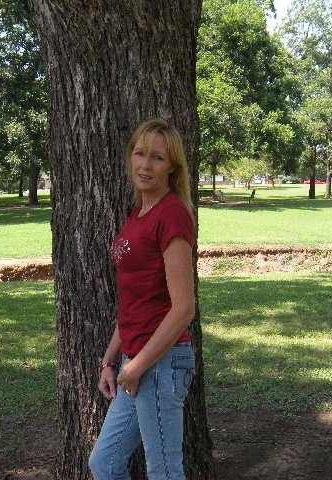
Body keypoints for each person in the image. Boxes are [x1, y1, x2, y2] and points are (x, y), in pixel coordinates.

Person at [88, 119, 197, 480]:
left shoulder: (172, 214)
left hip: (161, 362)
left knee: (164, 472)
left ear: (172, 167)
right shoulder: (139, 214)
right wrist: (110, 360)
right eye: (139, 153)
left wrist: (136, 368)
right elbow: (136, 301)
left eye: (157, 158)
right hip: (134, 360)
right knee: (104, 463)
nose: (145, 165)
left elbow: (183, 308)